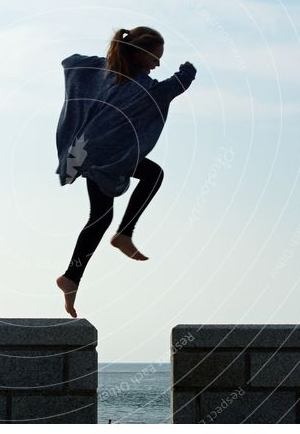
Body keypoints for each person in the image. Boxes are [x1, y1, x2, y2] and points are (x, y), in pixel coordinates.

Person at [54, 26, 197, 317]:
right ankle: (124, 234)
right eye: (155, 58)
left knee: (101, 216)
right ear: (139, 54)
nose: (158, 64)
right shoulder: (143, 88)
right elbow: (174, 86)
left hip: (87, 151)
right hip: (107, 154)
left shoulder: (103, 71)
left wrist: (107, 61)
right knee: (153, 175)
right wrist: (190, 70)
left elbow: (70, 61)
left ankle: (71, 278)